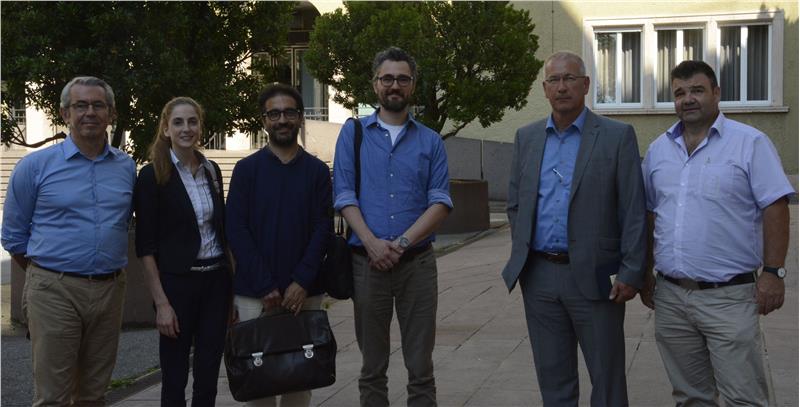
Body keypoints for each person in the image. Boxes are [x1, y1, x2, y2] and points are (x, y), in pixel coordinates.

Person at [640, 60, 793, 406]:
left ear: (716, 93)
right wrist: (645, 272)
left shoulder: (749, 143)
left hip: (729, 298)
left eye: (697, 90)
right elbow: (650, 215)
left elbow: (775, 205)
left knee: (743, 398)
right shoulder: (658, 150)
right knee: (690, 397)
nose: (688, 99)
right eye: (679, 93)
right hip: (671, 297)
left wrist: (773, 272)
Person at [501, 51, 647, 406]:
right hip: (539, 277)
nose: (562, 87)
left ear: (585, 84)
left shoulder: (616, 136)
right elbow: (516, 203)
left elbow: (633, 209)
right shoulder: (526, 137)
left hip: (596, 277)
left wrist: (631, 271)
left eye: (569, 78)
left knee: (607, 380)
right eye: (554, 80)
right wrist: (524, 251)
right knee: (553, 380)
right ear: (544, 88)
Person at [1, 76, 136, 406]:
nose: (90, 112)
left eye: (98, 105)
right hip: (54, 290)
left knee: (94, 394)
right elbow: (14, 236)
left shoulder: (126, 167)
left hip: (109, 290)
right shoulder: (35, 166)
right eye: (81, 105)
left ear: (111, 114)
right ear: (65, 113)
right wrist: (48, 276)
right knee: (54, 396)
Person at [333, 46, 452, 407]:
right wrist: (371, 243)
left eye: (402, 78)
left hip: (417, 265)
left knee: (421, 368)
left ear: (413, 85)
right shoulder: (353, 133)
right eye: (387, 78)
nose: (394, 85)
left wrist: (399, 243)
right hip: (367, 265)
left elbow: (440, 201)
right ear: (375, 84)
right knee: (372, 368)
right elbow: (343, 194)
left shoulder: (430, 140)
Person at [226, 83, 332, 406]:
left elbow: (323, 229)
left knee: (300, 380)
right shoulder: (246, 171)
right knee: (258, 382)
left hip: (305, 293)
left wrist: (302, 281)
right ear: (264, 120)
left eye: (289, 113)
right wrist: (264, 284)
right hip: (254, 293)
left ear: (300, 118)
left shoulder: (317, 171)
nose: (282, 119)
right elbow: (236, 229)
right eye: (274, 114)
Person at [134, 97, 231, 407]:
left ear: (200, 127)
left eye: (192, 121)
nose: (186, 128)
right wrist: (161, 303)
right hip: (177, 286)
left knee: (208, 375)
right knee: (174, 377)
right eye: (178, 122)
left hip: (216, 283)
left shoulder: (211, 170)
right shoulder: (152, 176)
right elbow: (145, 248)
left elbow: (220, 230)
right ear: (166, 129)